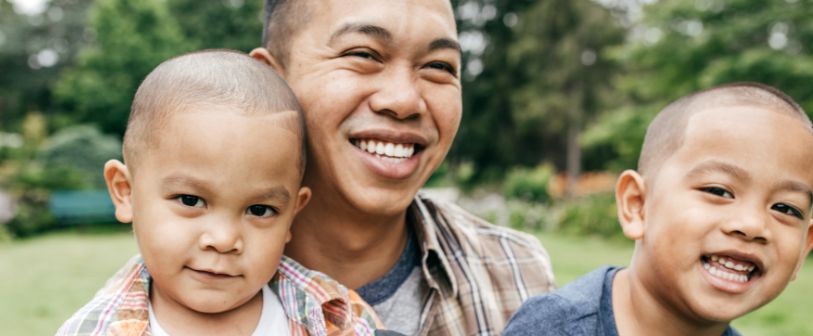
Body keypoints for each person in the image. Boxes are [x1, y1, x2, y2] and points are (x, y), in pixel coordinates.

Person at [248, 0, 555, 335]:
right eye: (363, 55)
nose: (404, 101)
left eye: (439, 66)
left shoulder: (518, 274)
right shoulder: (193, 273)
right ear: (271, 79)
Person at [56, 50, 380, 336]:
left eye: (259, 210)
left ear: (293, 212)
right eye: (190, 200)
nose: (224, 240)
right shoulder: (92, 329)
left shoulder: (333, 316)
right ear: (125, 192)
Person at [503, 83, 813, 336]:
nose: (752, 225)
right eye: (718, 191)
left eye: (785, 208)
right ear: (637, 206)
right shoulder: (554, 328)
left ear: (804, 248)